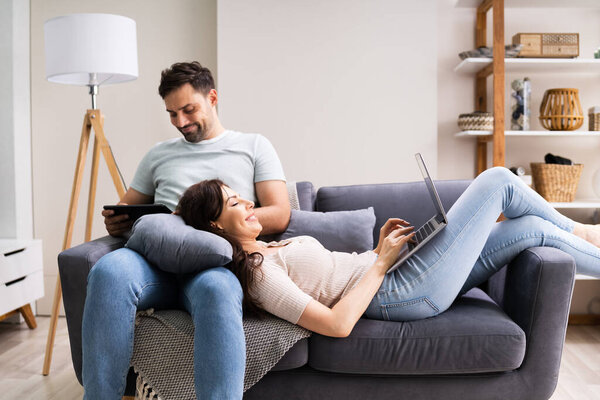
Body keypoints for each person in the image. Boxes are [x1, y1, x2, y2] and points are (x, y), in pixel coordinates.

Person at [176, 167, 600, 340]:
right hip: (400, 293)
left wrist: (378, 252)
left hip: (400, 273)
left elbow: (340, 274)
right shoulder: (260, 275)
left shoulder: (270, 247)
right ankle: (587, 231)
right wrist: (380, 263)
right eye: (235, 205)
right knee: (497, 180)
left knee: (523, 227)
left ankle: (589, 239)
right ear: (214, 225)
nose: (249, 204)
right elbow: (337, 324)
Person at [82, 62, 290, 400]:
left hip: (213, 265)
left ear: (212, 98)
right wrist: (115, 221)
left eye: (189, 109)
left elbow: (280, 213)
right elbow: (125, 206)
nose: (181, 122)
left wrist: (208, 227)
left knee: (219, 291)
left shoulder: (253, 146)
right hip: (154, 264)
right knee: (109, 270)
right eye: (172, 114)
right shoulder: (158, 154)